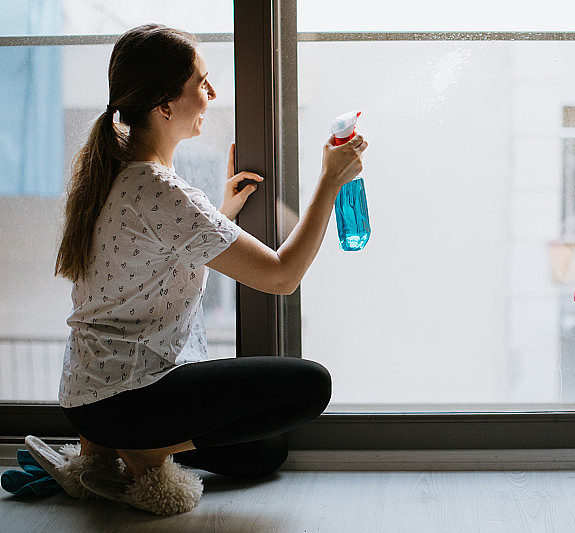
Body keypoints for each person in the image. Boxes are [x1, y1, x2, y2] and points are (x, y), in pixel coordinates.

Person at [25, 24, 367, 515]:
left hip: (90, 400)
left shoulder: (117, 171)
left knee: (265, 453)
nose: (212, 94)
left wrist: (221, 215)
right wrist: (329, 182)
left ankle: (106, 450)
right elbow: (282, 276)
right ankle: (144, 451)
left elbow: (159, 255)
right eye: (202, 84)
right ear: (164, 105)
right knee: (311, 385)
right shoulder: (163, 190)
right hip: (131, 396)